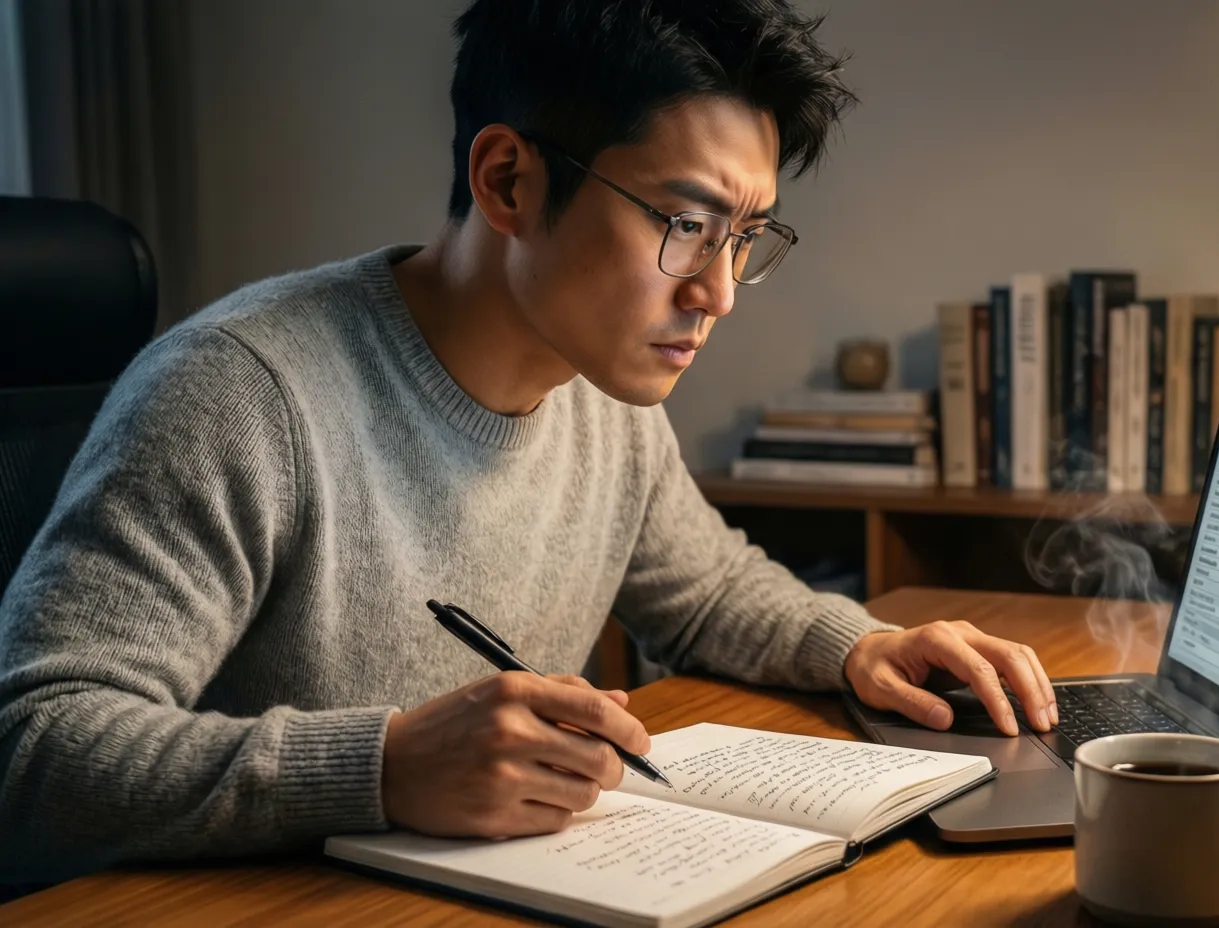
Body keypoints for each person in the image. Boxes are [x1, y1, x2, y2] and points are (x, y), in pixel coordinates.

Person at [0, 0, 1059, 886]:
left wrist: (857, 646)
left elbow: (706, 592)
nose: (719, 292)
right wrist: (380, 767)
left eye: (743, 236)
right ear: (508, 180)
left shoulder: (605, 390)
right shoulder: (237, 393)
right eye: (684, 223)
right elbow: (32, 751)